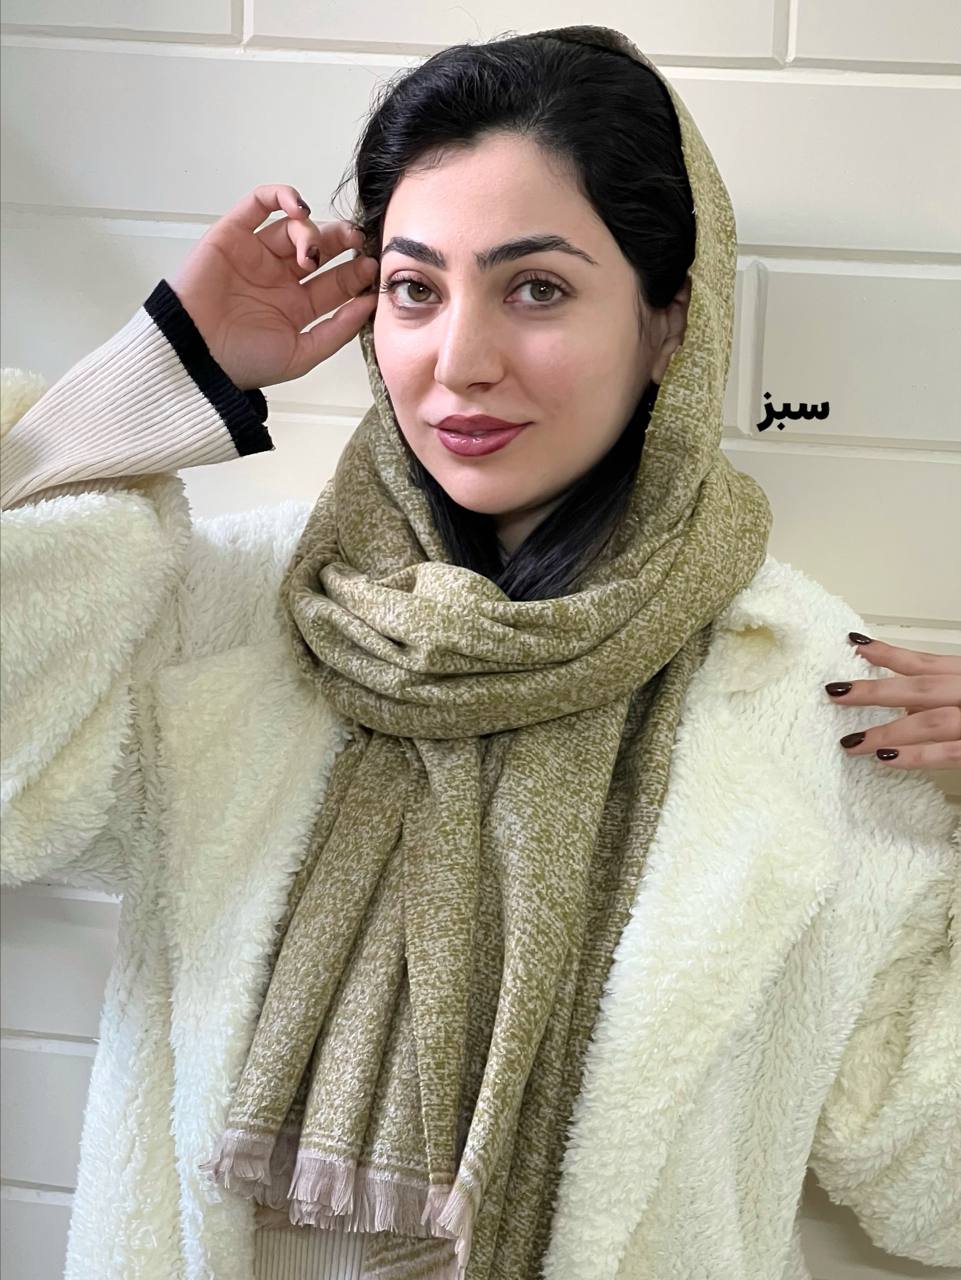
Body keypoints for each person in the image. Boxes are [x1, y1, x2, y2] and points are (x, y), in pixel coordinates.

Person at [1, 24, 958, 1280]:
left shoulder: (812, 694)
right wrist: (167, 367)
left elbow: (933, 1180)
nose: (459, 361)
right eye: (415, 288)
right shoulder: (237, 614)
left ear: (672, 320)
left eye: (537, 288)